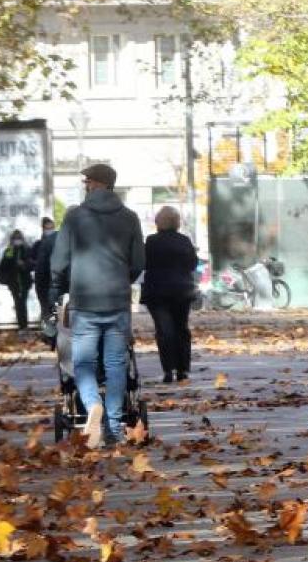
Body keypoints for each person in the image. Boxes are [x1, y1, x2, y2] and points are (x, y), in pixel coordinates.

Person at [49, 164, 144, 449]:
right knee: (117, 364)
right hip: (117, 301)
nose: (85, 185)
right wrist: (120, 280)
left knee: (82, 363)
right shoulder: (130, 218)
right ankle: (113, 428)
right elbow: (139, 262)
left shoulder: (75, 217)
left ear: (98, 184)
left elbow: (59, 262)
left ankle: (92, 405)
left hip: (84, 302)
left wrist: (61, 283)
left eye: (87, 181)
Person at [142, 206, 197, 382]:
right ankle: (183, 369)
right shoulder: (184, 241)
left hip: (157, 293)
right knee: (181, 328)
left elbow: (144, 263)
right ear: (177, 222)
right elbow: (193, 264)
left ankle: (168, 370)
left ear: (158, 222)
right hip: (182, 291)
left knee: (164, 330)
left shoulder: (151, 241)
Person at [0, 230, 33, 331]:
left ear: (22, 239)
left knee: (22, 304)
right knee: (18, 303)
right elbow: (3, 265)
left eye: (19, 238)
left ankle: (24, 326)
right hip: (14, 282)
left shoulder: (27, 249)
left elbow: (32, 265)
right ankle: (22, 326)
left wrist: (23, 265)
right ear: (12, 240)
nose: (17, 241)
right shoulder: (9, 251)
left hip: (25, 282)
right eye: (15, 239)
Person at [30, 217, 57, 320]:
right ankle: (48, 332)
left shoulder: (58, 243)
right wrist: (37, 264)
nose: (50, 230)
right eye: (47, 228)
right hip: (42, 282)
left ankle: (53, 332)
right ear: (43, 229)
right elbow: (30, 260)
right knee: (45, 309)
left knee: (55, 309)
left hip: (54, 282)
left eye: (52, 228)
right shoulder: (38, 245)